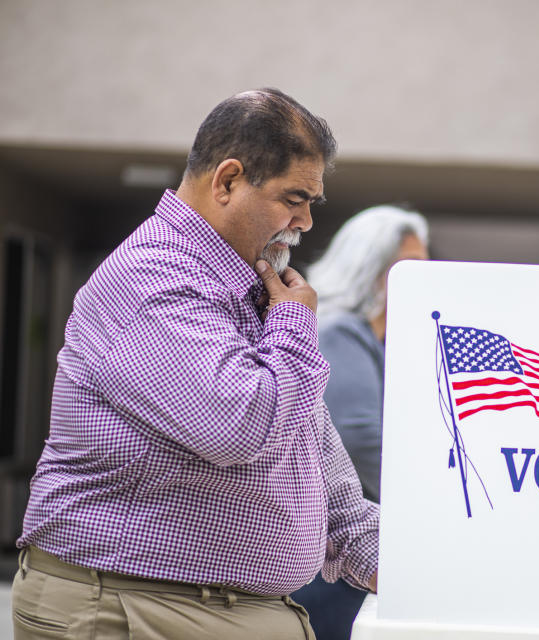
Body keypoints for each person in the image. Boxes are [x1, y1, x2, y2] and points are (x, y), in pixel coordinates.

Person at [11, 88, 378, 640]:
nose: (304, 222)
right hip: (134, 608)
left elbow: (308, 446)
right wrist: (296, 325)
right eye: (293, 198)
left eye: (311, 203)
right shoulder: (153, 280)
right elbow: (242, 426)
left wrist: (390, 551)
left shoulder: (249, 287)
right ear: (227, 181)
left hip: (204, 608)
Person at [291, 205, 428, 639]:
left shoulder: (378, 341)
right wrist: (433, 511)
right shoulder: (341, 332)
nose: (421, 282)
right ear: (370, 270)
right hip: (339, 565)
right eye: (410, 269)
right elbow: (361, 439)